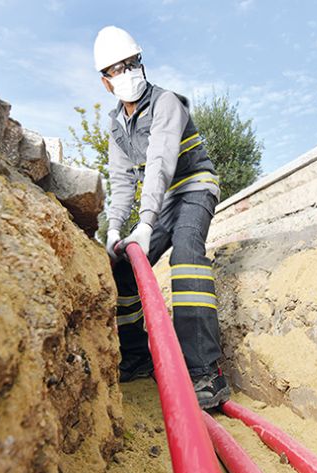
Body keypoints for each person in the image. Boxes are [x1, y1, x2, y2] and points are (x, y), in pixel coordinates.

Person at [93, 25, 230, 409]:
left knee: (187, 257)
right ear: (106, 83)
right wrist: (116, 228)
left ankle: (205, 372)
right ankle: (137, 357)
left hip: (194, 187)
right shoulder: (117, 126)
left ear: (142, 62)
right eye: (117, 69)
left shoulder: (167, 102)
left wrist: (147, 221)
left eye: (131, 64)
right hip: (166, 200)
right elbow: (121, 182)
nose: (127, 73)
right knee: (122, 266)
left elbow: (159, 162)